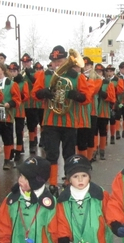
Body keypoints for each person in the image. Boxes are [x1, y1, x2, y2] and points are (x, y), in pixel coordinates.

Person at [32, 45, 93, 193]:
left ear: (66, 60)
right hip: (50, 121)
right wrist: (43, 92)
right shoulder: (44, 75)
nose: (57, 64)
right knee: (51, 154)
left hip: (69, 121)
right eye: (54, 62)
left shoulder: (76, 76)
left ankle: (68, 181)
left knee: (69, 153)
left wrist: (76, 95)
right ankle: (52, 183)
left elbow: (87, 98)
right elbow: (34, 94)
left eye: (59, 61)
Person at [92, 63, 115, 160]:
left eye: (100, 71)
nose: (98, 73)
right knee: (94, 132)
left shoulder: (108, 83)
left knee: (102, 132)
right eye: (97, 71)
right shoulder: (91, 82)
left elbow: (112, 98)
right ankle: (93, 151)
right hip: (93, 111)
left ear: (103, 73)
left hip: (103, 112)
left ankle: (102, 151)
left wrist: (104, 95)